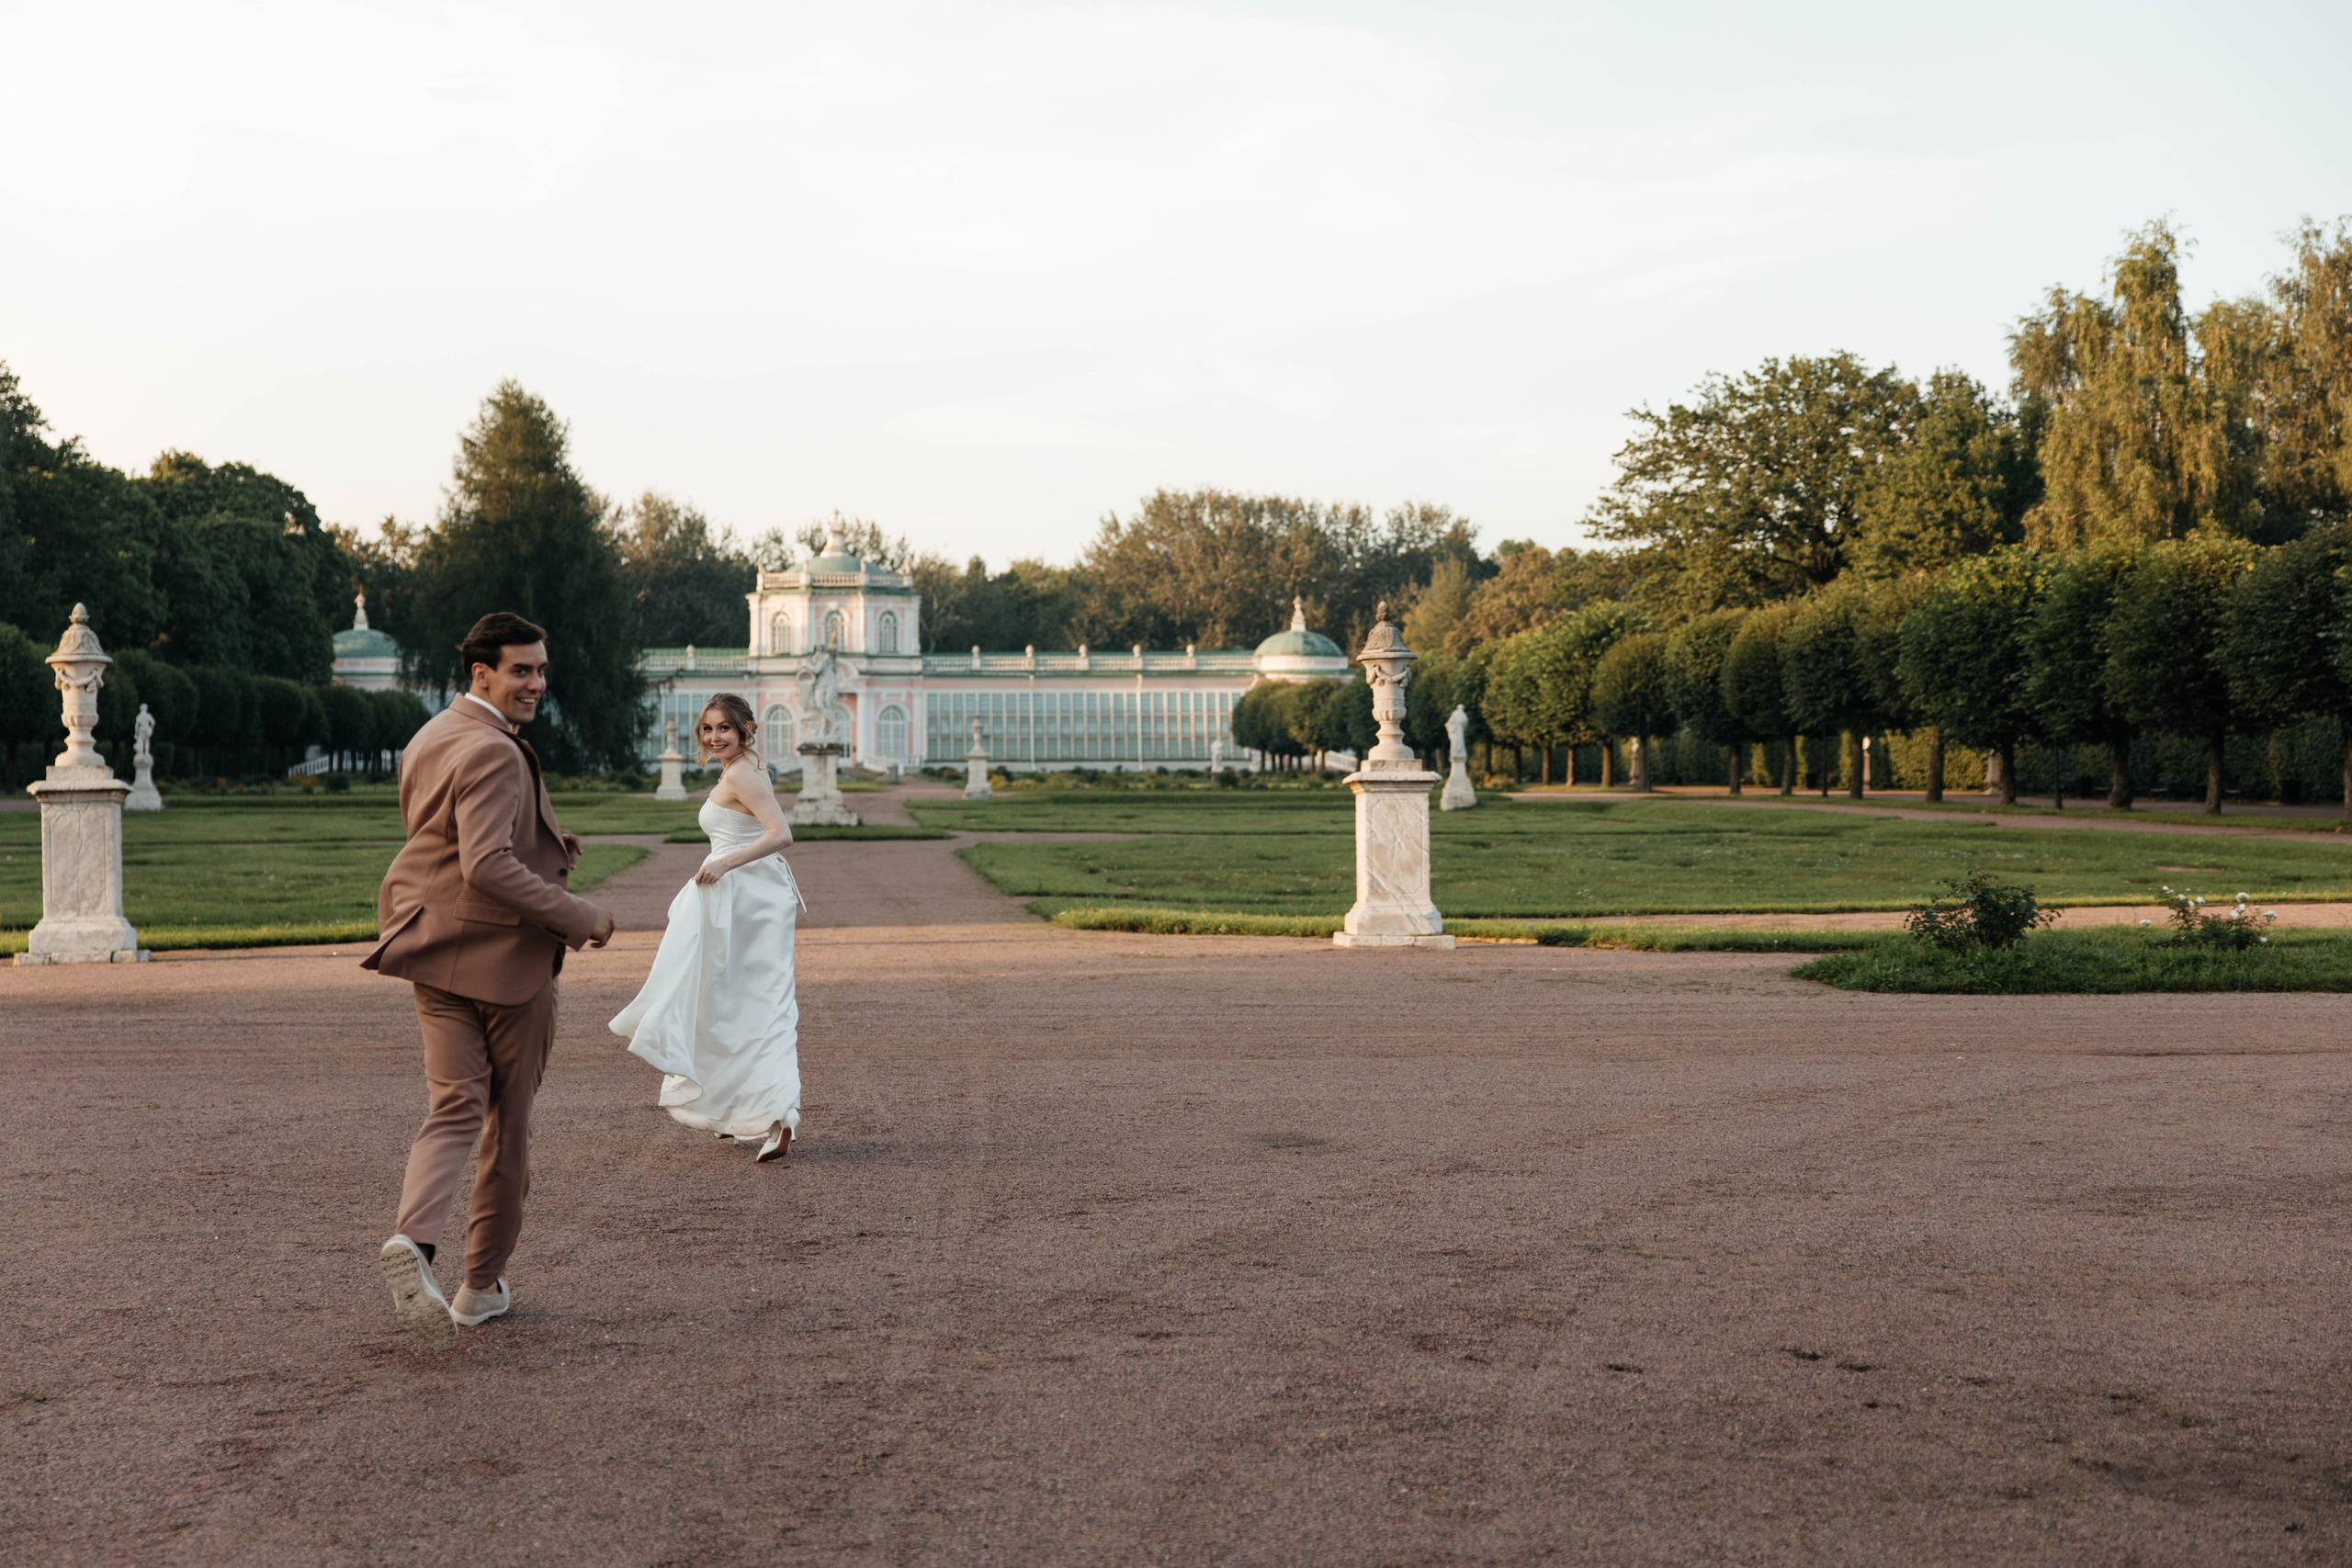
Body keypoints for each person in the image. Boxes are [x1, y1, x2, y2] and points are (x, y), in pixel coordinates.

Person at [365, 612, 616, 1348]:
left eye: (541, 670)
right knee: (507, 1126)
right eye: (521, 670)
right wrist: (578, 914)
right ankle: (480, 1286)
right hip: (506, 961)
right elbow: (484, 864)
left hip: (429, 944)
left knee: (450, 1108)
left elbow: (444, 839)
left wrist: (547, 842)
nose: (537, 683)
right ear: (482, 673)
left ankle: (413, 1240)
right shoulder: (499, 753)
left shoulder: (429, 737)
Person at [608, 693, 804, 1163]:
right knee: (725, 1000)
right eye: (708, 729)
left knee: (759, 1001)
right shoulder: (743, 768)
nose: (714, 737)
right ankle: (733, 1107)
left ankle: (780, 1119)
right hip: (738, 894)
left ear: (745, 731)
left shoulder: (742, 772)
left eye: (724, 729)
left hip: (749, 899)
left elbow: (781, 834)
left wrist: (724, 863)